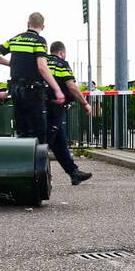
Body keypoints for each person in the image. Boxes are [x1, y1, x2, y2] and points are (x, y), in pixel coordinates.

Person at [0, 12, 65, 144]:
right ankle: (38, 163)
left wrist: (11, 63)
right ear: (43, 27)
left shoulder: (15, 39)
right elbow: (42, 66)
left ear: (28, 23)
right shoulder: (39, 41)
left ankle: (22, 161)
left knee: (22, 132)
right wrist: (57, 89)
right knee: (39, 132)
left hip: (16, 91)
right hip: (33, 92)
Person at [45, 41, 94, 185]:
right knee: (44, 143)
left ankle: (74, 173)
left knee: (59, 142)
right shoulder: (61, 64)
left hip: (41, 106)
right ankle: (37, 175)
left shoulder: (42, 61)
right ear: (62, 53)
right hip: (55, 108)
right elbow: (71, 86)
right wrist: (85, 103)